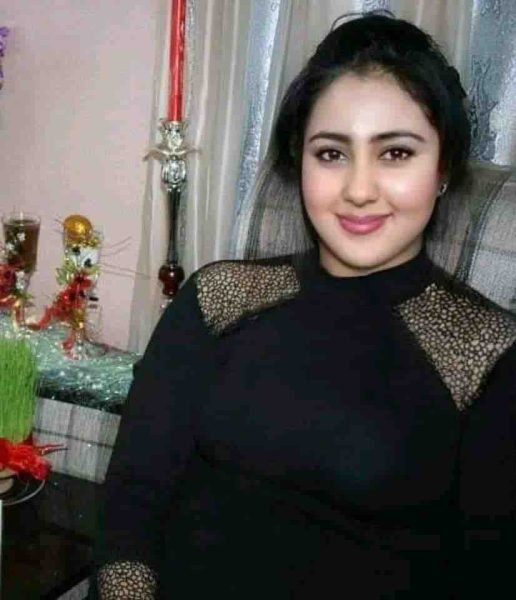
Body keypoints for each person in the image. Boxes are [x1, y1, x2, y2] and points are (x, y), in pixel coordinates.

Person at [93, 12, 516, 599]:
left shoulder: (485, 351)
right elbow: (133, 498)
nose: (359, 189)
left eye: (396, 153)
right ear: (299, 162)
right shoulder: (219, 300)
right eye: (331, 154)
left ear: (442, 167)